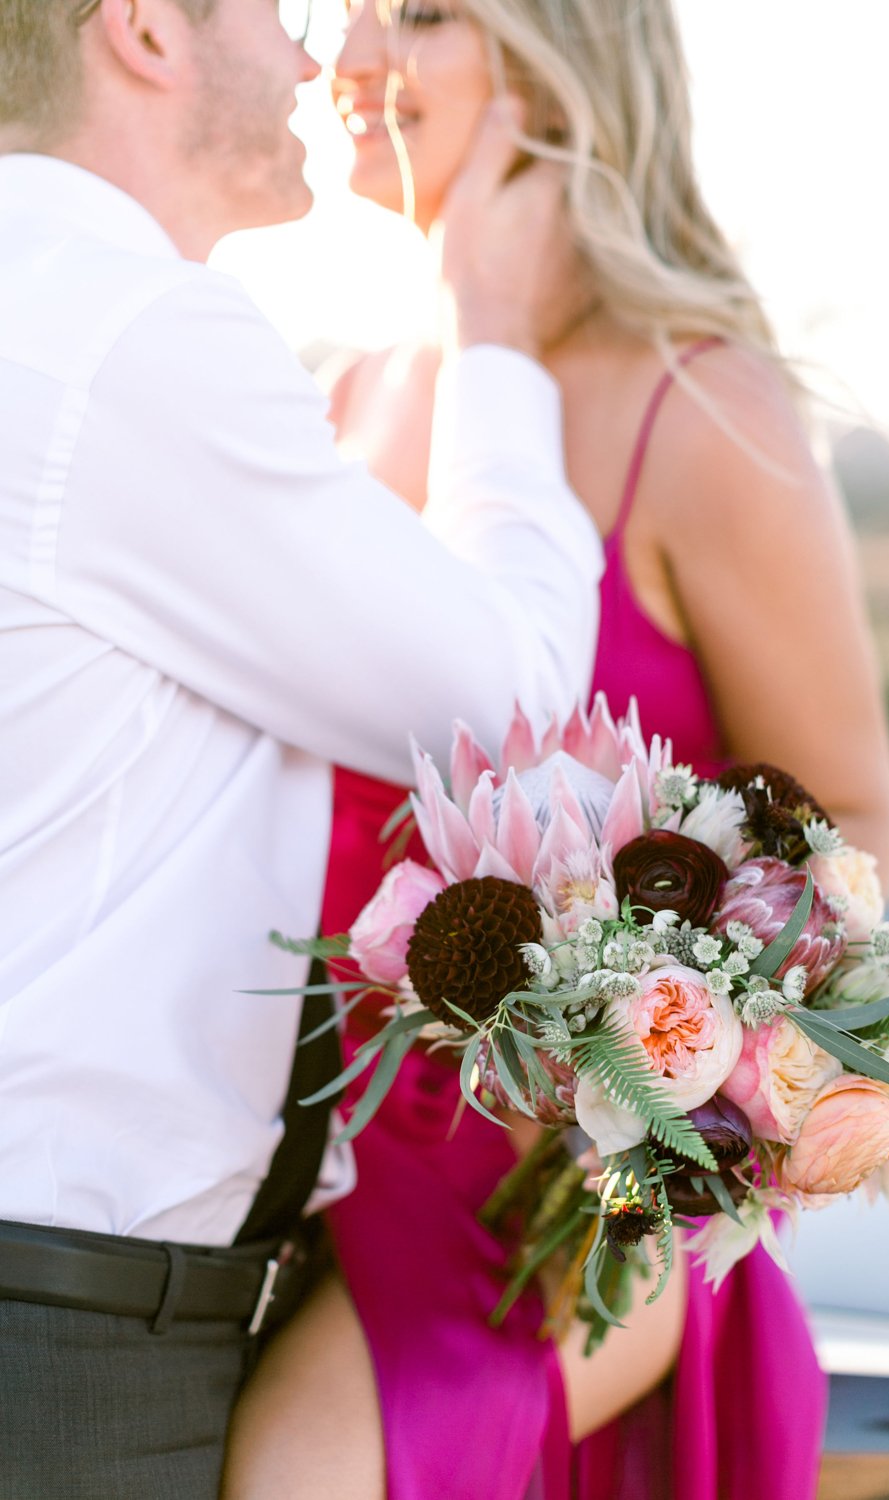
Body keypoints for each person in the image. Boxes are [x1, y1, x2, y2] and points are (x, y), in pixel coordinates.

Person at [221, 3, 889, 1498]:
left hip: (580, 1202)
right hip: (324, 1179)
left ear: (561, 61)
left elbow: (849, 811)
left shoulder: (698, 400)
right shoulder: (347, 398)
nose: (348, 63)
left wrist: (665, 1068)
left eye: (423, 15)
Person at [0, 0, 610, 1493]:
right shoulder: (120, 326)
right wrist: (502, 337)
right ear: (144, 27)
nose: (312, 54)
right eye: (276, 10)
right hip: (57, 1348)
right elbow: (509, 707)